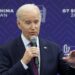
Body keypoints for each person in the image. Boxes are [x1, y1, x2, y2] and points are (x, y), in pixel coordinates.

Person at [0, 4, 75, 75]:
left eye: (36, 22)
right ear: (19, 24)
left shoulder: (54, 49)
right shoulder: (6, 50)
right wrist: (23, 62)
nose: (33, 27)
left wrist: (73, 65)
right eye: (28, 22)